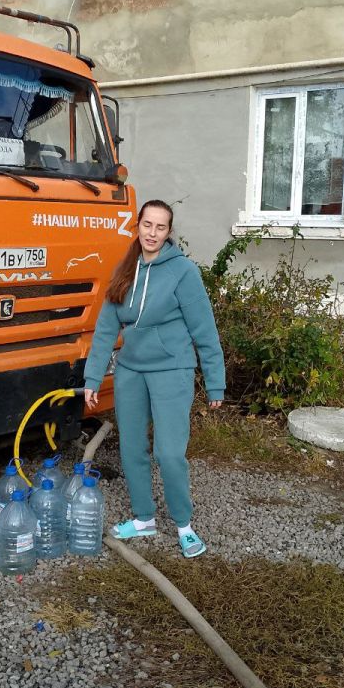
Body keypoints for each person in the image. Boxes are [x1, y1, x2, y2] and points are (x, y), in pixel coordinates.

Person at [83, 200, 225, 558]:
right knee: (131, 448)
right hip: (131, 370)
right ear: (138, 226)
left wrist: (215, 382)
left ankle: (184, 525)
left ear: (168, 232)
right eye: (147, 225)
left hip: (172, 369)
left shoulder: (183, 272)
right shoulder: (125, 269)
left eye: (160, 227)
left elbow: (204, 330)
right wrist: (92, 377)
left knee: (169, 452)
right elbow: (105, 330)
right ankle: (144, 518)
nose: (152, 233)